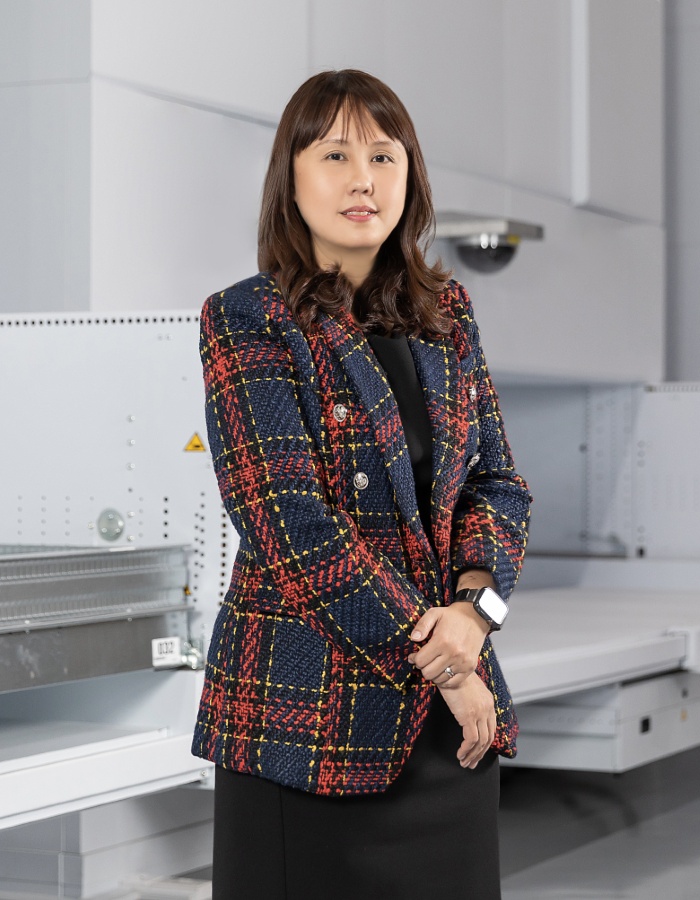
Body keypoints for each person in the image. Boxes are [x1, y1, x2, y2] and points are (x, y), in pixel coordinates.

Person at [192, 69, 532, 900]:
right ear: (292, 175)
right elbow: (287, 520)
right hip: (309, 720)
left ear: (410, 178)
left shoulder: (446, 315)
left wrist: (475, 617)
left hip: (450, 722)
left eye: (385, 156)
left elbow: (499, 484)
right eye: (335, 153)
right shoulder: (247, 317)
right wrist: (446, 665)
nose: (362, 179)